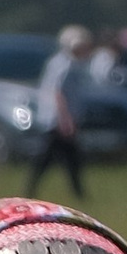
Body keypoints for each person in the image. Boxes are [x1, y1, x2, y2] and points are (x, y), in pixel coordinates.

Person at [28, 29, 92, 195]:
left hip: (55, 118)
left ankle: (78, 192)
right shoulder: (66, 65)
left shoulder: (60, 62)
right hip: (56, 119)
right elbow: (58, 93)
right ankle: (31, 190)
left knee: (66, 157)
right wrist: (65, 119)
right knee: (50, 158)